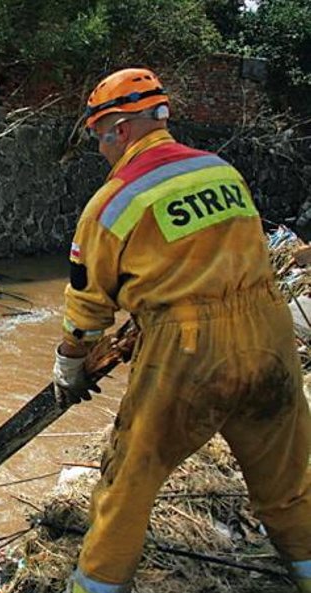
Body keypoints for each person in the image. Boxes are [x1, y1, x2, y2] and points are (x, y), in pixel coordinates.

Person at [53, 67, 311, 593]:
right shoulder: (221, 171)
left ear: (120, 129)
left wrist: (69, 364)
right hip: (271, 335)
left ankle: (94, 586)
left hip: (188, 350)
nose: (100, 148)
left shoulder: (112, 202)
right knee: (290, 486)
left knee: (127, 484)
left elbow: (87, 309)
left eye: (99, 136)